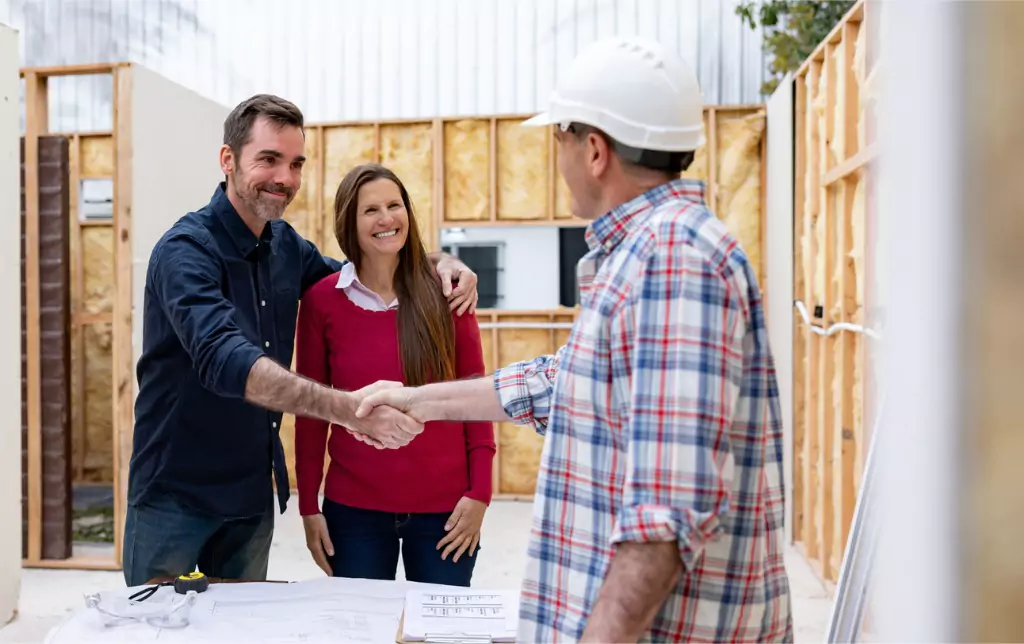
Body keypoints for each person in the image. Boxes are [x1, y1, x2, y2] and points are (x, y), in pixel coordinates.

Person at [354, 36, 793, 643]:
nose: (555, 159)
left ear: (592, 151)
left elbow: (663, 522)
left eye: (557, 140)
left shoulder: (671, 261)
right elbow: (560, 382)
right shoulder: (645, 254)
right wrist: (416, 401)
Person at [123, 94, 478, 587]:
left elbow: (372, 277)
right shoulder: (185, 252)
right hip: (176, 497)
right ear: (228, 160)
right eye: (268, 160)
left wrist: (440, 262)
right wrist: (347, 409)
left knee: (243, 630)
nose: (284, 178)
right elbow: (227, 360)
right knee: (158, 628)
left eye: (295, 163)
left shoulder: (286, 248)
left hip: (249, 499)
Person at [293, 163, 495, 586]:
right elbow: (311, 413)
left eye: (394, 205)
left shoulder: (447, 293)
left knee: (443, 632)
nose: (386, 218)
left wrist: (480, 495)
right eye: (371, 210)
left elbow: (476, 400)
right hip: (354, 514)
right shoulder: (321, 302)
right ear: (350, 221)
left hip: (446, 511)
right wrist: (309, 506)